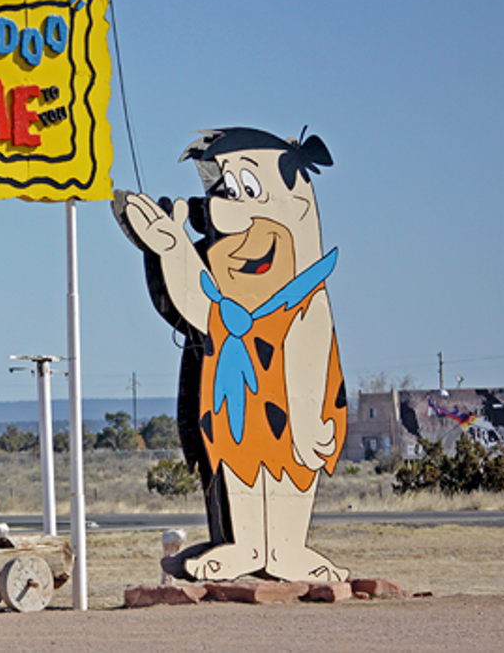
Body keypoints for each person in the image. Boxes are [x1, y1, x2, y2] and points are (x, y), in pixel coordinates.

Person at [114, 127, 348, 581]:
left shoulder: (300, 279)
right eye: (225, 188)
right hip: (236, 387)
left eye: (244, 189)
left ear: (295, 204)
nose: (222, 205)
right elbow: (203, 305)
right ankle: (246, 546)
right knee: (238, 461)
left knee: (290, 469)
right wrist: (171, 246)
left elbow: (310, 335)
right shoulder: (228, 264)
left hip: (287, 394)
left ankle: (285, 550)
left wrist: (308, 417)